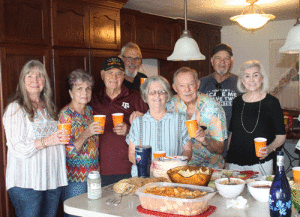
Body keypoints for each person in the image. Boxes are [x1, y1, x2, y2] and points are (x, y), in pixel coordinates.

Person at [3, 60, 69, 217]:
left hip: (52, 181)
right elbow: (17, 147)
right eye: (30, 76)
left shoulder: (49, 107)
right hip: (27, 184)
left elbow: (57, 141)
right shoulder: (16, 108)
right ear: (22, 80)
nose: (35, 80)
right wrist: (47, 141)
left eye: (40, 76)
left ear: (44, 81)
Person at [90, 56, 148, 187]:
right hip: (98, 168)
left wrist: (129, 130)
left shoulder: (134, 98)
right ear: (102, 75)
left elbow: (149, 131)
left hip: (128, 167)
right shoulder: (93, 98)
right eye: (110, 73)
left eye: (118, 74)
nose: (114, 78)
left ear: (124, 76)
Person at [226, 60, 286, 176]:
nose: (251, 80)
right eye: (247, 76)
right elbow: (233, 133)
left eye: (256, 75)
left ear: (262, 78)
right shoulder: (237, 102)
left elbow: (281, 136)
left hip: (260, 163)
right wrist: (226, 158)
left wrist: (269, 148)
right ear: (243, 81)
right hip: (235, 163)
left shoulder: (272, 102)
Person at [127, 76, 193, 176]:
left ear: (167, 96)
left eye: (161, 92)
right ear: (145, 96)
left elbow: (187, 150)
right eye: (152, 92)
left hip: (172, 176)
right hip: (144, 177)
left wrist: (177, 166)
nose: (157, 96)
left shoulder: (180, 120)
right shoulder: (137, 122)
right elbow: (132, 154)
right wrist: (149, 167)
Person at [166, 67, 227, 169]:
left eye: (191, 84)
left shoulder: (212, 108)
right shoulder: (169, 106)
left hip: (210, 169)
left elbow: (220, 149)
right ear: (175, 88)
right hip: (179, 168)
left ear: (198, 84)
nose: (187, 90)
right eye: (182, 86)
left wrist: (205, 140)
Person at [59, 69, 100, 217]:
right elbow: (67, 151)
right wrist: (86, 134)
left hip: (93, 176)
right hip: (74, 179)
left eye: (88, 88)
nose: (85, 92)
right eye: (79, 88)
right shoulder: (66, 115)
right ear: (71, 92)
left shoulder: (90, 111)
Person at [199, 43, 240, 158]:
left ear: (231, 62)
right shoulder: (201, 84)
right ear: (212, 61)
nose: (222, 62)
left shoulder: (240, 83)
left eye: (226, 59)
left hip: (234, 143)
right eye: (218, 58)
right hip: (208, 145)